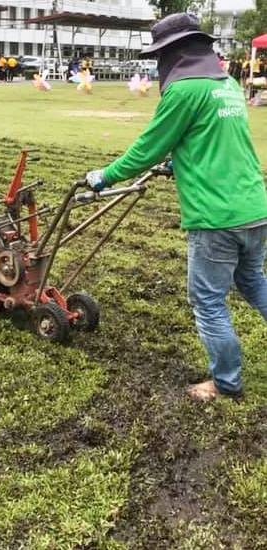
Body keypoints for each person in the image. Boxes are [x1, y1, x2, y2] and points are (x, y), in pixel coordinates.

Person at [85, 13, 267, 402]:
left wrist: (106, 176)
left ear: (174, 53)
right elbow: (214, 140)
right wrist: (180, 163)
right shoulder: (228, 85)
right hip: (254, 207)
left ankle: (227, 384)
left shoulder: (185, 91)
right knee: (253, 282)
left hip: (217, 218)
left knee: (208, 300)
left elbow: (148, 148)